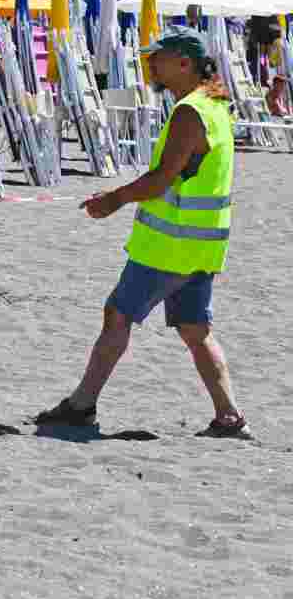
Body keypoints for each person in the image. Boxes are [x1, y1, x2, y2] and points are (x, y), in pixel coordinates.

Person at [34, 27, 250, 439]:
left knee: (118, 315)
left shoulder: (191, 110)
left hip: (170, 245)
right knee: (194, 330)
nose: (152, 64)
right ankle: (229, 416)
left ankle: (81, 406)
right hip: (202, 245)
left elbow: (161, 179)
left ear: (184, 63)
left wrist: (114, 199)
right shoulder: (215, 104)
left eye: (160, 57)